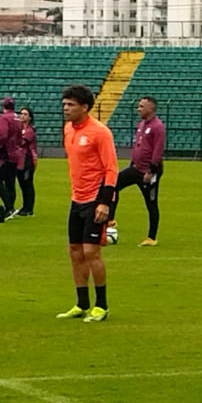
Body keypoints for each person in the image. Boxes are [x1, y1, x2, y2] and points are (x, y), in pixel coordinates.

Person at [56, 84, 119, 323]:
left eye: (71, 105)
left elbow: (111, 169)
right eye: (64, 104)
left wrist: (105, 203)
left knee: (91, 251)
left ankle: (101, 306)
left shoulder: (100, 132)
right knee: (74, 251)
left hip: (95, 200)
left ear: (85, 107)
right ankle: (81, 304)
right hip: (77, 199)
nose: (66, 108)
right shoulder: (68, 129)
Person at [112, 95, 166, 247]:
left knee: (151, 203)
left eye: (142, 106)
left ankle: (151, 237)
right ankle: (110, 220)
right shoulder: (142, 124)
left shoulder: (158, 127)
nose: (138, 109)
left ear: (151, 108)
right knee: (112, 185)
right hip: (136, 168)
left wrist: (151, 170)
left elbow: (157, 151)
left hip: (148, 171)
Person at [0, 97, 23, 216]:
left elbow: (3, 135)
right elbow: (20, 136)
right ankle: (11, 206)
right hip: (15, 153)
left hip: (5, 153)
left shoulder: (4, 118)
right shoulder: (18, 119)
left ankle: (8, 206)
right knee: (10, 181)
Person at [17, 106, 38, 216]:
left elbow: (21, 142)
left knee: (27, 184)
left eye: (25, 114)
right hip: (20, 160)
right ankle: (25, 206)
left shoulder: (29, 130)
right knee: (22, 184)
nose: (22, 116)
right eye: (21, 114)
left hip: (27, 160)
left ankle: (29, 208)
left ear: (30, 117)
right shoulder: (20, 129)